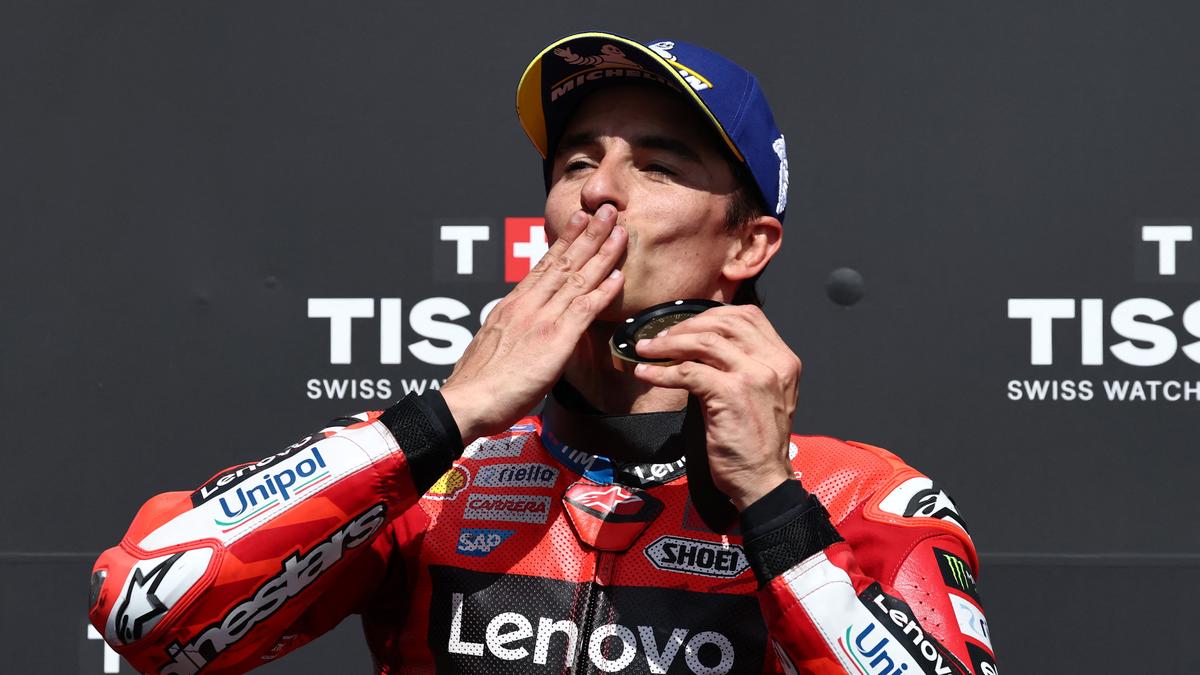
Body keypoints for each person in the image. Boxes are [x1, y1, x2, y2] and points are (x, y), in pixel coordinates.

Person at [88, 32, 997, 674]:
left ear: (747, 244)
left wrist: (774, 510)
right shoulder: (437, 479)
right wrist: (443, 416)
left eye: (658, 165)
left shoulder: (859, 494)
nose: (600, 192)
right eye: (576, 163)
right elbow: (143, 609)